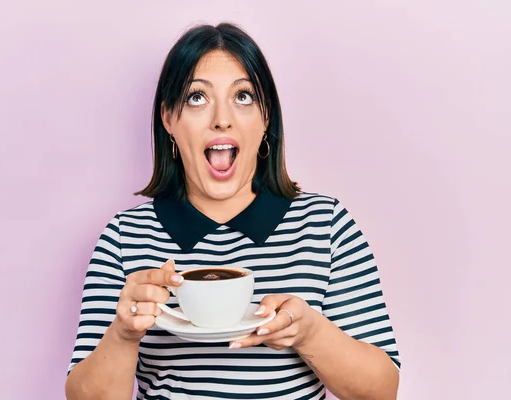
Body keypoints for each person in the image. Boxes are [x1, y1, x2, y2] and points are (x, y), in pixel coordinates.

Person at [65, 22, 400, 400]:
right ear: (169, 119)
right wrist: (123, 334)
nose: (221, 119)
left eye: (243, 97)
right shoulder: (124, 238)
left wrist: (310, 332)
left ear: (266, 117)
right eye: (196, 97)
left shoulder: (326, 226)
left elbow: (382, 390)